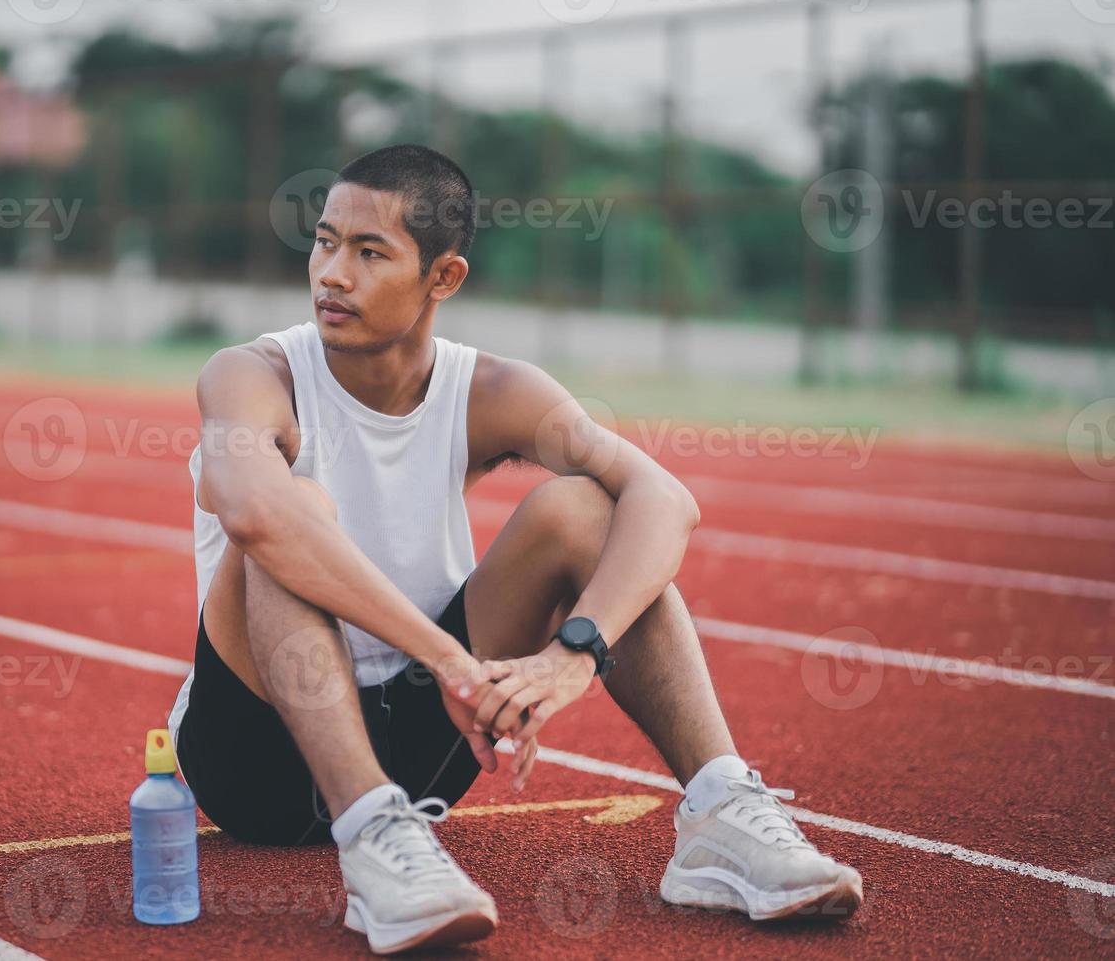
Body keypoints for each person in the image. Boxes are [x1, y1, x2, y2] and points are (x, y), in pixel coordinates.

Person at [166, 144, 862, 954]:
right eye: (324, 242)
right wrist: (451, 660)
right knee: (293, 512)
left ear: (443, 279)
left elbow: (665, 500)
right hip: (255, 756)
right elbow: (254, 516)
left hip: (424, 743)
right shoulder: (252, 375)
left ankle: (719, 810)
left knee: (584, 511)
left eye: (369, 252)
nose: (332, 274)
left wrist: (576, 653)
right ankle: (372, 835)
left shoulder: (493, 391)